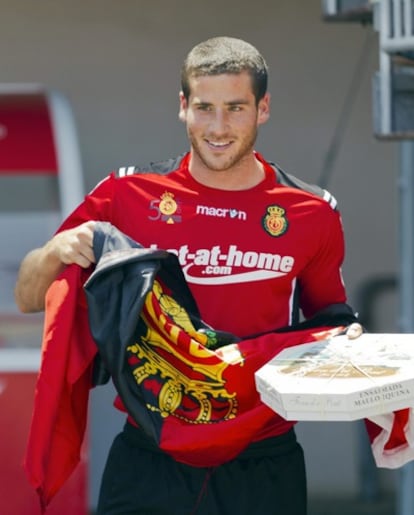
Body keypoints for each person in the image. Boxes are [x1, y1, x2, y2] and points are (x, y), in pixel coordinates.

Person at [15, 36, 360, 515]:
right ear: (183, 107)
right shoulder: (125, 193)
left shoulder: (312, 212)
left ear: (263, 108)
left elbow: (331, 327)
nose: (218, 127)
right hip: (150, 453)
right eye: (204, 107)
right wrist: (54, 251)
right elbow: (29, 296)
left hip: (263, 458)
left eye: (236, 108)